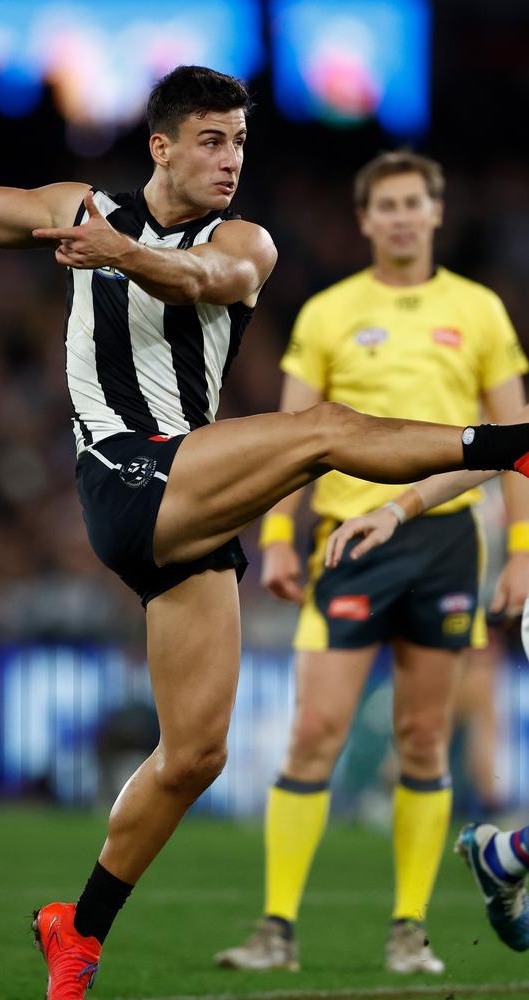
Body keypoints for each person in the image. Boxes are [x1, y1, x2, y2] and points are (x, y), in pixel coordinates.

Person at [0, 8, 529, 997]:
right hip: (124, 472)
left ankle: (78, 926)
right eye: (209, 141)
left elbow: (204, 276)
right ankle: (510, 448)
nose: (230, 157)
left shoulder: (243, 239)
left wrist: (120, 256)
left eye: (238, 141)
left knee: (193, 752)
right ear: (160, 145)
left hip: (187, 494)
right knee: (320, 428)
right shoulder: (81, 201)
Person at [214, 151, 529, 976]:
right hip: (350, 540)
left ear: (434, 213)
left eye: (412, 203)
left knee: (425, 737)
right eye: (383, 204)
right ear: (364, 220)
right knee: (314, 731)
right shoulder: (326, 313)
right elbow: (290, 438)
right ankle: (276, 927)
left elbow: (517, 440)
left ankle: (409, 929)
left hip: (449, 538)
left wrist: (522, 553)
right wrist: (278, 537)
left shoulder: (480, 310)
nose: (398, 216)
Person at [325, 466, 529, 954]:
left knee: (461, 716)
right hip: (463, 602)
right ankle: (390, 791)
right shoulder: (496, 489)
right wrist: (397, 511)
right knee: (437, 720)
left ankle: (506, 853)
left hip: (483, 614)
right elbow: (491, 450)